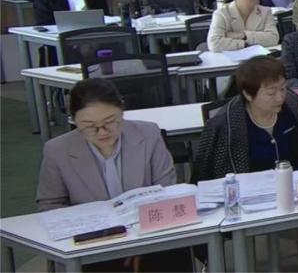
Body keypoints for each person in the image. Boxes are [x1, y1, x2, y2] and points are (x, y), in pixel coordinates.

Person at [192, 56, 298, 272]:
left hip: (295, 203)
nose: (280, 97)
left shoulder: (293, 106)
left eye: (283, 88)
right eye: (271, 93)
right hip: (248, 211)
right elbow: (203, 180)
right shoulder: (225, 125)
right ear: (248, 94)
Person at [37, 78, 191, 272]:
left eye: (110, 122)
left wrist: (140, 243)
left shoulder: (148, 134)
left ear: (122, 111)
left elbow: (167, 193)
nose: (102, 132)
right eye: (89, 126)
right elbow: (50, 205)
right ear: (74, 120)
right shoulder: (57, 150)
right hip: (91, 245)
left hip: (149, 237)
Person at [207, 0, 279, 52]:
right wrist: (245, 44)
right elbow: (214, 43)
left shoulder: (265, 12)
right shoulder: (222, 14)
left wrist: (243, 35)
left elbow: (274, 38)